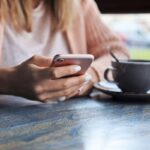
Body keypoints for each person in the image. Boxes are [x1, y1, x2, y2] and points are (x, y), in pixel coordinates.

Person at [0, 0, 129, 103]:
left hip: (66, 122)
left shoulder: (79, 4)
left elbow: (118, 52)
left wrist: (87, 78)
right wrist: (9, 82)